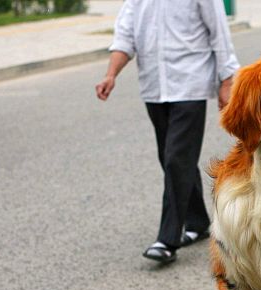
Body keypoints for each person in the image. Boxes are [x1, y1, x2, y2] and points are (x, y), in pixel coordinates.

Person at [95, 0, 240, 264]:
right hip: (154, 87)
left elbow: (218, 32)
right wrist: (111, 74)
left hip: (190, 84)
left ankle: (167, 239)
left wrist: (227, 78)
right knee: (172, 159)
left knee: (176, 159)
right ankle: (197, 222)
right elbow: (125, 36)